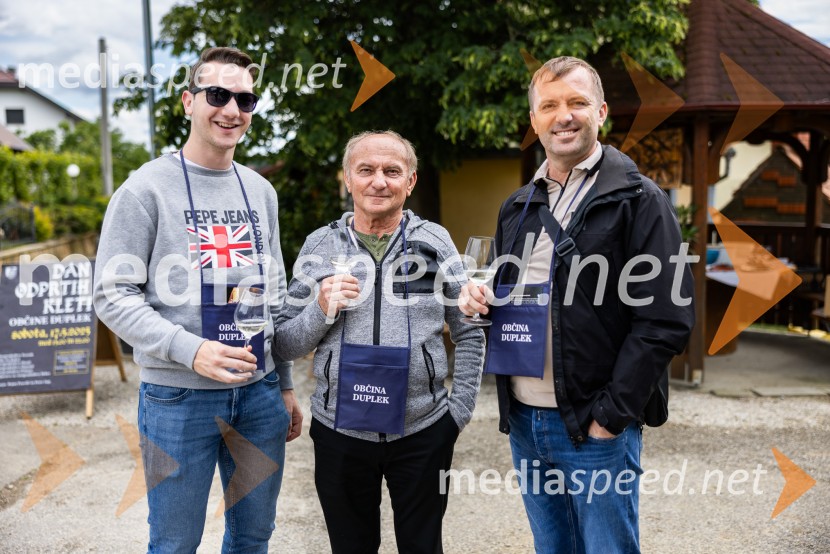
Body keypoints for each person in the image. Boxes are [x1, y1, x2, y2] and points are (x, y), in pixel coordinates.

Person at [460, 56, 695, 553]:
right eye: (549, 105)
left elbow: (665, 321)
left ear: (601, 111)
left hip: (594, 425)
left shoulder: (640, 200)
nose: (563, 115)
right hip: (525, 421)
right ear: (534, 121)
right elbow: (513, 302)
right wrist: (480, 302)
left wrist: (609, 417)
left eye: (577, 102)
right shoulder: (518, 206)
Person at [93, 46, 302, 553]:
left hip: (258, 393)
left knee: (253, 537)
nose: (232, 109)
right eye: (217, 95)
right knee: (175, 542)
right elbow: (111, 294)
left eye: (246, 99)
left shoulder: (260, 191)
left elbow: (272, 293)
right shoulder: (144, 189)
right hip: (177, 397)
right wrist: (191, 349)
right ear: (188, 101)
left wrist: (285, 383)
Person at [273, 130, 485, 554]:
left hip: (423, 432)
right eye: (365, 170)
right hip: (339, 432)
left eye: (392, 171)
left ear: (410, 181)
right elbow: (282, 343)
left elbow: (469, 329)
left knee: (423, 547)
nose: (379, 181)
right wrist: (320, 308)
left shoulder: (435, 242)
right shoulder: (319, 245)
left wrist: (457, 413)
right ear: (347, 180)